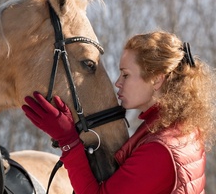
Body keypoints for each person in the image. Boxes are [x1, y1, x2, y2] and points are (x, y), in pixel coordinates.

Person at [22, 31, 216, 193]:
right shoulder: (181, 129)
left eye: (126, 74)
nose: (118, 83)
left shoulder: (161, 148)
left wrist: (68, 141)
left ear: (157, 80)